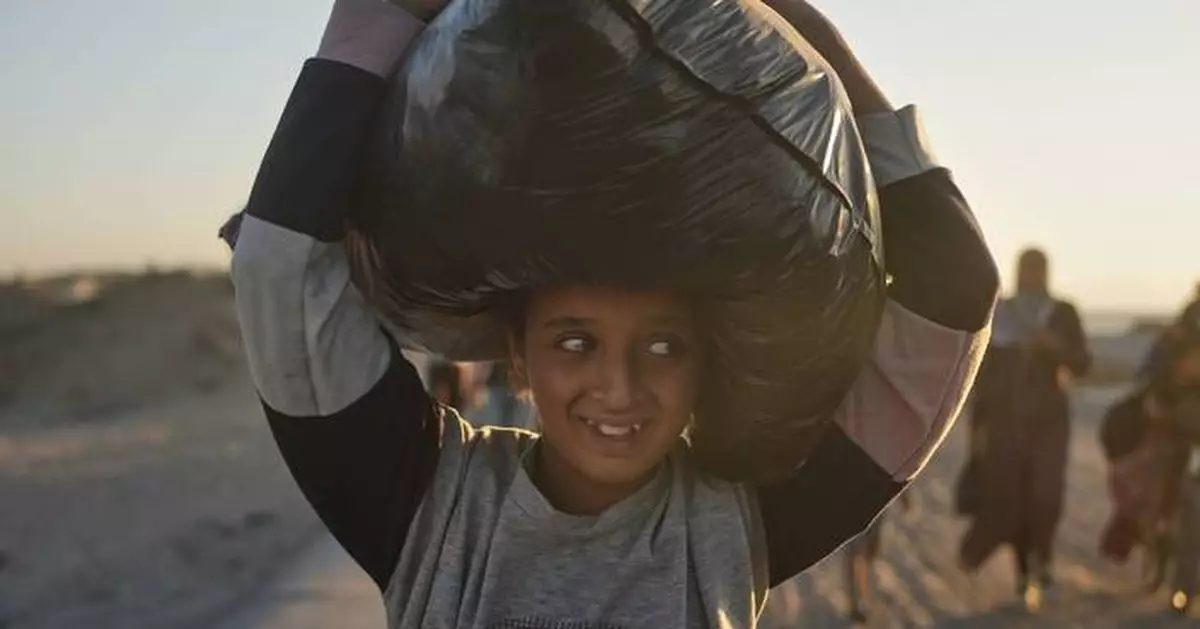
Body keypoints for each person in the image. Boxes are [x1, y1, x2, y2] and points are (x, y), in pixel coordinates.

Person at [225, 0, 997, 626]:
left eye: (663, 347)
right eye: (575, 342)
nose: (619, 387)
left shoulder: (734, 528)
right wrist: (381, 18)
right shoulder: (430, 508)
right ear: (516, 355)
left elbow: (955, 297)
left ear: (705, 362)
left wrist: (815, 39)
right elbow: (280, 268)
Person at [958, 248, 1090, 609]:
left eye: (1037, 270)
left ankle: (1042, 560)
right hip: (1005, 422)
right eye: (1026, 270)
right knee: (1011, 502)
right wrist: (977, 429)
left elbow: (1082, 363)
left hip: (1050, 423)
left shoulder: (1063, 313)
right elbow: (980, 375)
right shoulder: (1000, 312)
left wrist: (1055, 347)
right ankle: (1023, 575)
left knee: (1046, 497)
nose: (1031, 276)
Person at [1099, 332, 1200, 611]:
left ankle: (1182, 585)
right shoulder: (1161, 383)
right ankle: (1175, 580)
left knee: (1188, 525)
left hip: (1188, 460)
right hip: (1166, 466)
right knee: (1169, 522)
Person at [843, 492, 913, 624]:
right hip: (853, 501)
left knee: (868, 554)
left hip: (876, 501)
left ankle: (865, 596)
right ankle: (855, 602)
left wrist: (904, 495)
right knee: (853, 553)